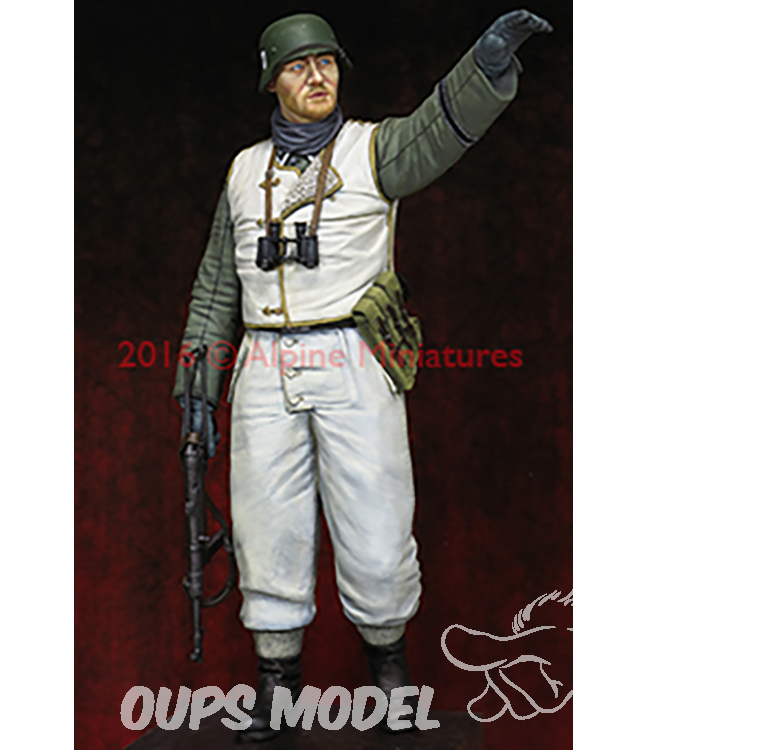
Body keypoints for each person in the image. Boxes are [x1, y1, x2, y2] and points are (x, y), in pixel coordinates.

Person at [173, 10, 552, 741]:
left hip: (352, 359)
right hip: (264, 367)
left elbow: (441, 127)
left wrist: (486, 64)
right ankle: (277, 685)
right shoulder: (244, 171)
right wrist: (197, 386)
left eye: (326, 62)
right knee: (267, 530)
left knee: (378, 528)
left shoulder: (375, 149)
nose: (317, 76)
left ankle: (390, 675)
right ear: (272, 81)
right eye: (298, 65)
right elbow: (218, 286)